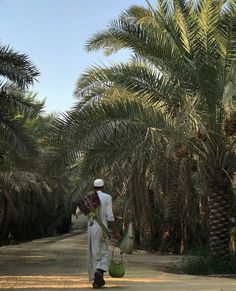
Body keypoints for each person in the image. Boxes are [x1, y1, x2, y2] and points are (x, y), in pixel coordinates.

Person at [87, 178, 120, 289]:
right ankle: (100, 271)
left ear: (93, 187)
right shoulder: (107, 197)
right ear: (103, 186)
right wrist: (115, 231)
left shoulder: (89, 197)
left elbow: (79, 211)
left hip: (91, 228)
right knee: (104, 251)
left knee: (95, 251)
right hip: (103, 228)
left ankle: (97, 280)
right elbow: (109, 216)